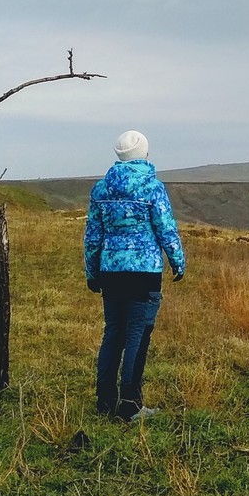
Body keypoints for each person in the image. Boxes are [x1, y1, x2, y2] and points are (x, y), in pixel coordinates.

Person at [83, 129, 186, 421]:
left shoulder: (101, 190)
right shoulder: (152, 188)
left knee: (113, 332)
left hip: (111, 271)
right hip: (144, 272)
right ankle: (130, 405)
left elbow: (92, 236)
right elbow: (166, 228)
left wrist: (92, 271)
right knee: (137, 335)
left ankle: (104, 402)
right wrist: (177, 261)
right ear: (144, 153)